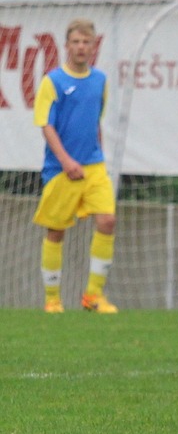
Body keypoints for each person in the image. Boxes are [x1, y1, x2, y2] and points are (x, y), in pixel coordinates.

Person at [32, 18, 119, 314]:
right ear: (66, 46)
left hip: (94, 167)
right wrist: (66, 161)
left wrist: (99, 156)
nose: (81, 47)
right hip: (61, 169)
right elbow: (46, 125)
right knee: (56, 231)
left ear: (94, 47)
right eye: (76, 42)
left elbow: (96, 123)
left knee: (107, 220)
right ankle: (53, 299)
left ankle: (93, 296)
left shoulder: (100, 81)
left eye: (87, 42)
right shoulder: (52, 81)